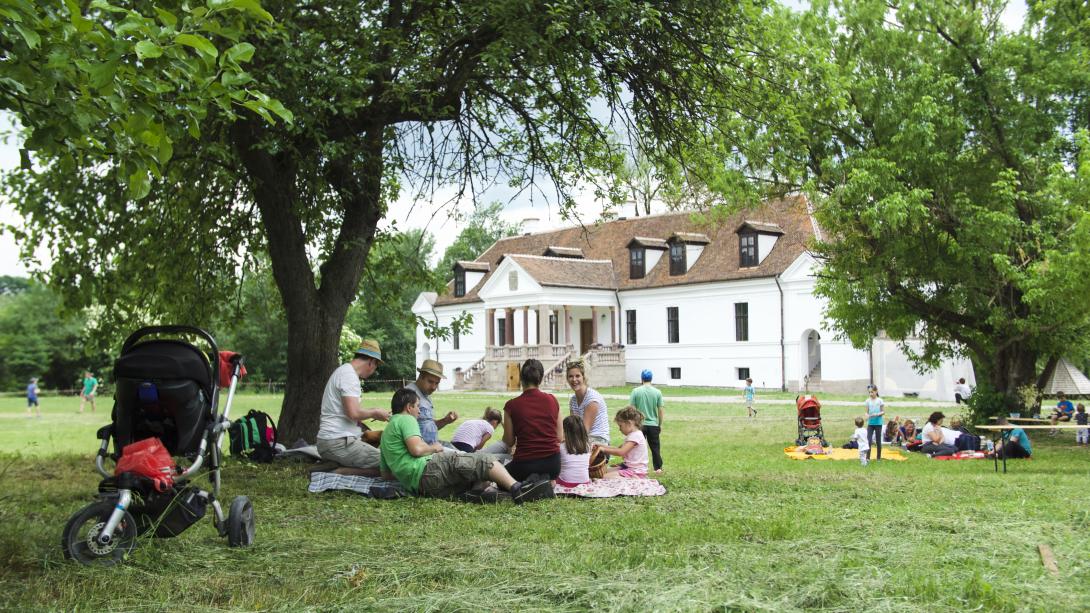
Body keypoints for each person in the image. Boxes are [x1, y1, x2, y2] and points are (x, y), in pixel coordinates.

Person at [380, 388, 553, 503]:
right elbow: (417, 449)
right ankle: (518, 489)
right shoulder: (406, 419)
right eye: (417, 406)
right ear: (409, 407)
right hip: (428, 470)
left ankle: (490, 492)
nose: (419, 411)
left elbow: (386, 474)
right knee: (482, 460)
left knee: (472, 482)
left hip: (422, 488)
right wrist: (434, 447)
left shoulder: (386, 434)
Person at [315, 339, 392, 474]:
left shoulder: (344, 372)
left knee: (381, 452)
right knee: (390, 464)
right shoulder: (349, 376)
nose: (374, 371)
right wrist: (375, 412)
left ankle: (335, 465)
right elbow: (353, 413)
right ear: (371, 362)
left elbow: (349, 411)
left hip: (333, 441)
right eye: (376, 366)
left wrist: (376, 411)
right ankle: (341, 471)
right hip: (337, 442)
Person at [502, 359, 563, 481]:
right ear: (540, 379)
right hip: (553, 466)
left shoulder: (511, 405)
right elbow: (559, 437)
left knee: (500, 476)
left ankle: (531, 481)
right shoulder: (553, 400)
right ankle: (541, 481)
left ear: (521, 378)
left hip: (524, 466)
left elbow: (509, 441)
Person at [406, 359, 458, 446]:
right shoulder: (408, 394)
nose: (434, 387)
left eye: (437, 383)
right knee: (466, 458)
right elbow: (405, 430)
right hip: (423, 450)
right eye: (430, 382)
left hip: (433, 445)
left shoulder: (426, 396)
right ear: (421, 376)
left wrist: (445, 420)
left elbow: (428, 427)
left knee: (465, 455)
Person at [594, 406, 649, 479]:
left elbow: (621, 452)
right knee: (606, 472)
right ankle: (630, 478)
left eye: (620, 426)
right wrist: (600, 446)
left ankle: (634, 479)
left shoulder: (635, 436)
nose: (619, 429)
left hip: (635, 471)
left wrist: (603, 449)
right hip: (628, 467)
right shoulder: (634, 435)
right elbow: (617, 448)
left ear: (629, 423)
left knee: (606, 477)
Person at [566, 362, 610, 446]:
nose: (574, 379)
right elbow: (574, 426)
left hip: (599, 441)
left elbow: (584, 430)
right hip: (584, 439)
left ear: (583, 377)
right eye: (570, 376)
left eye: (577, 376)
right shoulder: (573, 400)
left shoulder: (592, 399)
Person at [630, 369, 665, 474]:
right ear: (651, 379)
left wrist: (634, 424)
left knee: (637, 447)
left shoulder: (635, 391)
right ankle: (658, 468)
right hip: (653, 425)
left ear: (641, 379)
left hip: (640, 425)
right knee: (655, 447)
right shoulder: (657, 392)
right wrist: (659, 424)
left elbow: (632, 409)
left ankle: (636, 467)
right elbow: (660, 410)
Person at [557, 415, 592, 487]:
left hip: (565, 482)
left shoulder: (561, 447)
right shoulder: (588, 446)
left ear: (565, 431)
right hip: (585, 482)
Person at [865, 387, 885, 461]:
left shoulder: (880, 400)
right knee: (869, 440)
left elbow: (883, 412)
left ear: (876, 391)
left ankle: (878, 458)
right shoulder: (867, 401)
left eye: (872, 392)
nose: (870, 394)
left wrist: (877, 414)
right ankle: (867, 457)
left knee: (878, 441)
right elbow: (866, 412)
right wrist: (867, 416)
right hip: (870, 424)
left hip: (878, 423)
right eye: (869, 392)